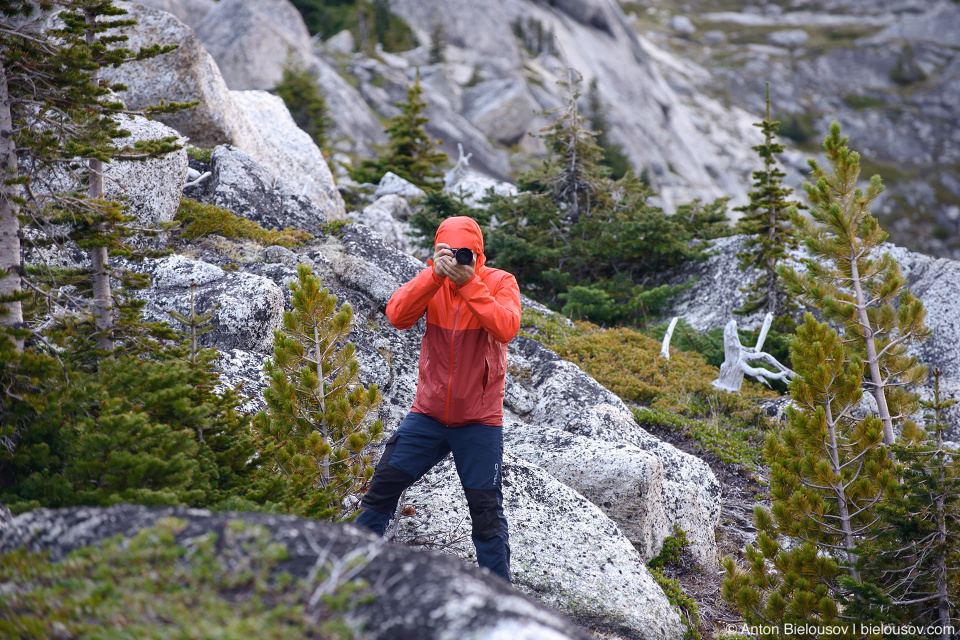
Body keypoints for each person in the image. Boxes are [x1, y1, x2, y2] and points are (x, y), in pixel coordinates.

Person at [355, 216, 521, 583]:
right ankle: (351, 574)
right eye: (452, 252)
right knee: (382, 488)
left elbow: (507, 327)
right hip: (428, 417)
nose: (461, 259)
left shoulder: (499, 282)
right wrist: (434, 274)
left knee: (486, 511)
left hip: (479, 422)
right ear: (438, 252)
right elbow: (397, 315)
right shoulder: (434, 281)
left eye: (469, 254)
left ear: (481, 255)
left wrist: (471, 285)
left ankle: (501, 599)